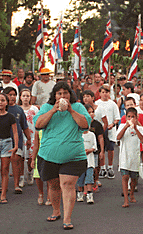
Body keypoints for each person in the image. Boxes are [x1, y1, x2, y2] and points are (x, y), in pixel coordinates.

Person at [34, 82, 91, 230]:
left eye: (65, 93)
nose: (62, 96)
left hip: (73, 156)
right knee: (53, 185)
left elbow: (85, 125)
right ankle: (56, 210)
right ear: (54, 96)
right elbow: (38, 125)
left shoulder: (78, 107)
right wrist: (53, 110)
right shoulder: (46, 108)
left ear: (70, 94)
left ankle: (67, 218)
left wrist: (71, 110)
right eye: (59, 94)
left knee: (67, 185)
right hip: (48, 155)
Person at [3, 87, 31, 193]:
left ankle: (16, 185)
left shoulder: (19, 110)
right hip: (3, 139)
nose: (12, 97)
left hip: (17, 140)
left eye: (14, 95)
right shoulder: (0, 108)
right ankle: (2, 184)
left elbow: (24, 126)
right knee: (5, 164)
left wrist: (29, 139)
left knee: (16, 162)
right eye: (10, 95)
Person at [116, 107, 143, 207]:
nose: (130, 119)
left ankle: (132, 194)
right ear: (125, 117)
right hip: (124, 156)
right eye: (129, 117)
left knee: (134, 178)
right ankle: (126, 199)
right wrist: (125, 127)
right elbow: (118, 138)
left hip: (134, 157)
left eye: (133, 117)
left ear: (136, 118)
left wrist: (136, 128)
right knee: (125, 176)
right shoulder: (121, 126)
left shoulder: (140, 128)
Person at [95, 85, 120, 179]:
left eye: (107, 92)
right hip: (100, 130)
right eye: (103, 92)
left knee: (110, 148)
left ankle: (110, 167)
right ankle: (102, 168)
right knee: (101, 149)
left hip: (110, 130)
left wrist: (112, 124)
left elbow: (117, 118)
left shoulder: (113, 104)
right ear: (100, 93)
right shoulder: (97, 103)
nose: (105, 94)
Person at [18, 88, 39, 186]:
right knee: (21, 158)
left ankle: (30, 173)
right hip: (21, 136)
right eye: (24, 96)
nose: (25, 98)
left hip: (32, 136)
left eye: (27, 96)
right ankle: (21, 177)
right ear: (20, 97)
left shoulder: (34, 109)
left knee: (31, 157)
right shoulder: (18, 109)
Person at [84, 104, 104, 191]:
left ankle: (95, 180)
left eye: (92, 112)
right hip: (84, 150)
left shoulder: (97, 124)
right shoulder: (82, 124)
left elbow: (100, 137)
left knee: (95, 167)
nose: (91, 114)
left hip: (95, 149)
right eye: (89, 112)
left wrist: (102, 150)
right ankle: (85, 185)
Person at [76, 126, 97, 204]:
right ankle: (80, 194)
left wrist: (90, 150)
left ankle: (89, 194)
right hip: (80, 160)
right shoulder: (78, 135)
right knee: (80, 178)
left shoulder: (92, 135)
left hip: (90, 161)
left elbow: (95, 146)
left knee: (89, 178)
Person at [31, 130, 51, 205]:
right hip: (40, 155)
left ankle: (49, 196)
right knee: (37, 176)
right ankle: (41, 193)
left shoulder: (53, 127)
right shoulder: (38, 130)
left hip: (50, 155)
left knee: (50, 177)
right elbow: (36, 145)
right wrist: (33, 159)